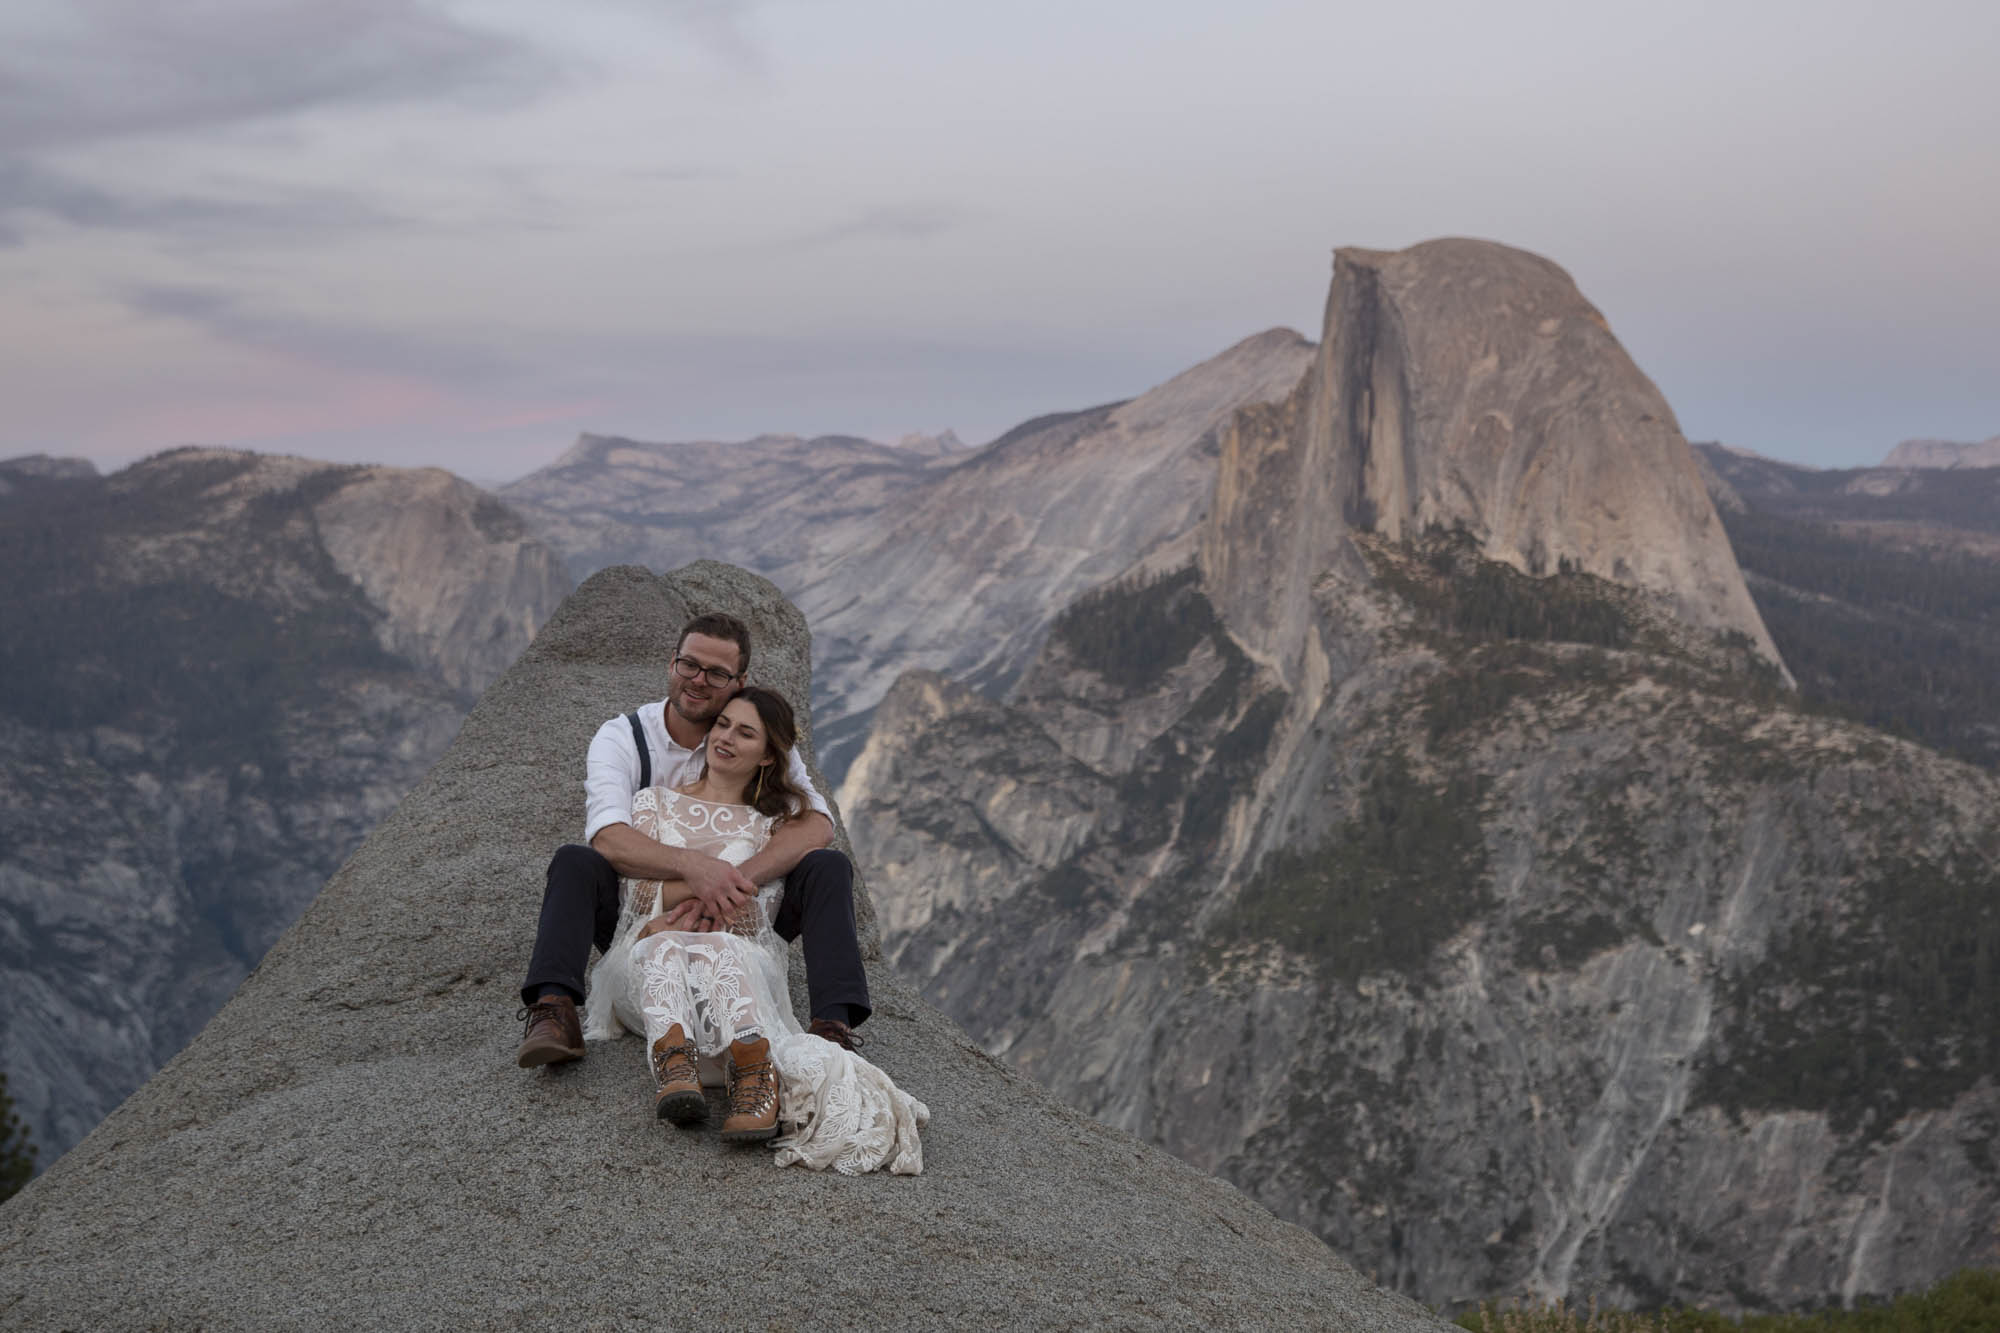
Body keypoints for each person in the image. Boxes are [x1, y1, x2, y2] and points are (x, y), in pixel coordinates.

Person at [591, 686, 926, 1173]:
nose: (725, 737)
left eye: (745, 733)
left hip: (735, 955)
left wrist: (694, 892)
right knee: (661, 945)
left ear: (769, 755)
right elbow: (634, 898)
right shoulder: (652, 804)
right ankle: (674, 1068)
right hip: (646, 950)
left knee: (722, 951)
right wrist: (710, 885)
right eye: (722, 724)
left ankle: (754, 1073)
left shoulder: (773, 825)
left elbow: (756, 914)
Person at [515, 612, 869, 1070]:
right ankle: (555, 1009)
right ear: (671, 664)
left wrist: (729, 882)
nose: (699, 681)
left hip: (745, 912)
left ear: (739, 681)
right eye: (689, 665)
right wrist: (695, 870)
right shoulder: (623, 738)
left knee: (827, 866)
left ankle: (831, 1028)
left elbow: (817, 823)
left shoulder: (751, 729)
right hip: (641, 913)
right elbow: (609, 838)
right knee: (574, 862)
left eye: (717, 674)